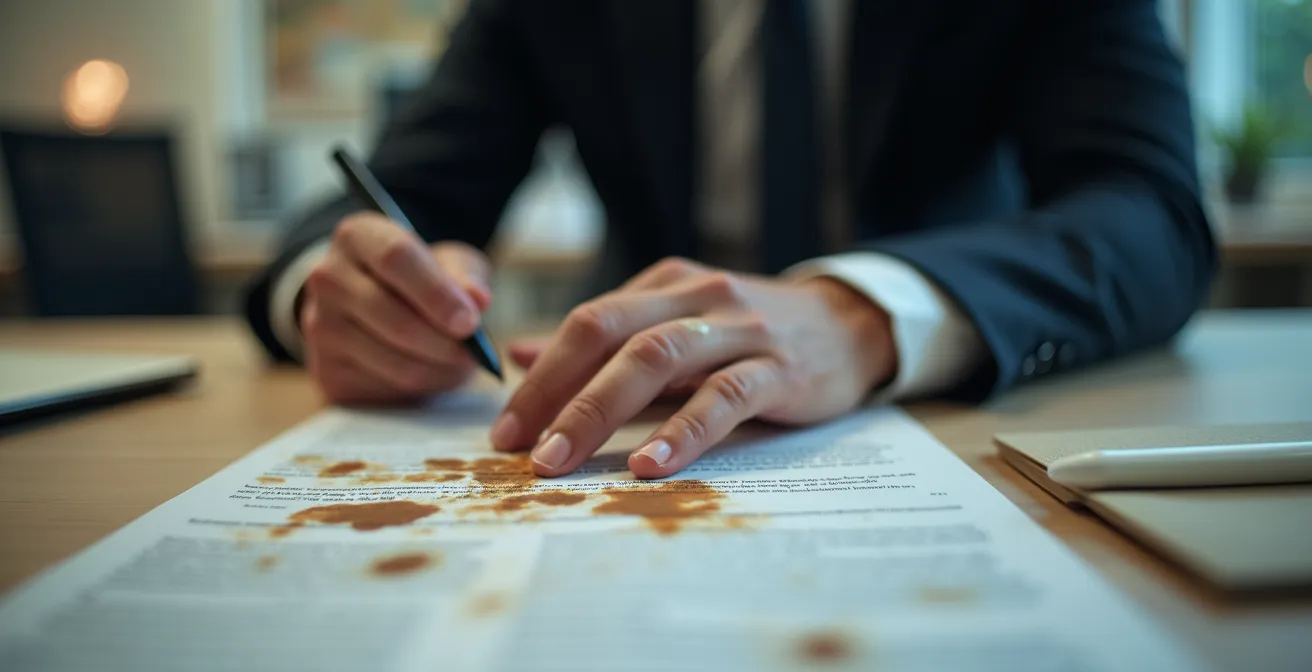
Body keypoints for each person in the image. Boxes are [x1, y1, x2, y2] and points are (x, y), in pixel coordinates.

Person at [244, 0, 1215, 480]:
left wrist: (870, 312)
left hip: (950, 420)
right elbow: (398, 198)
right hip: (632, 424)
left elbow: (1150, 209)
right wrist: (339, 293)